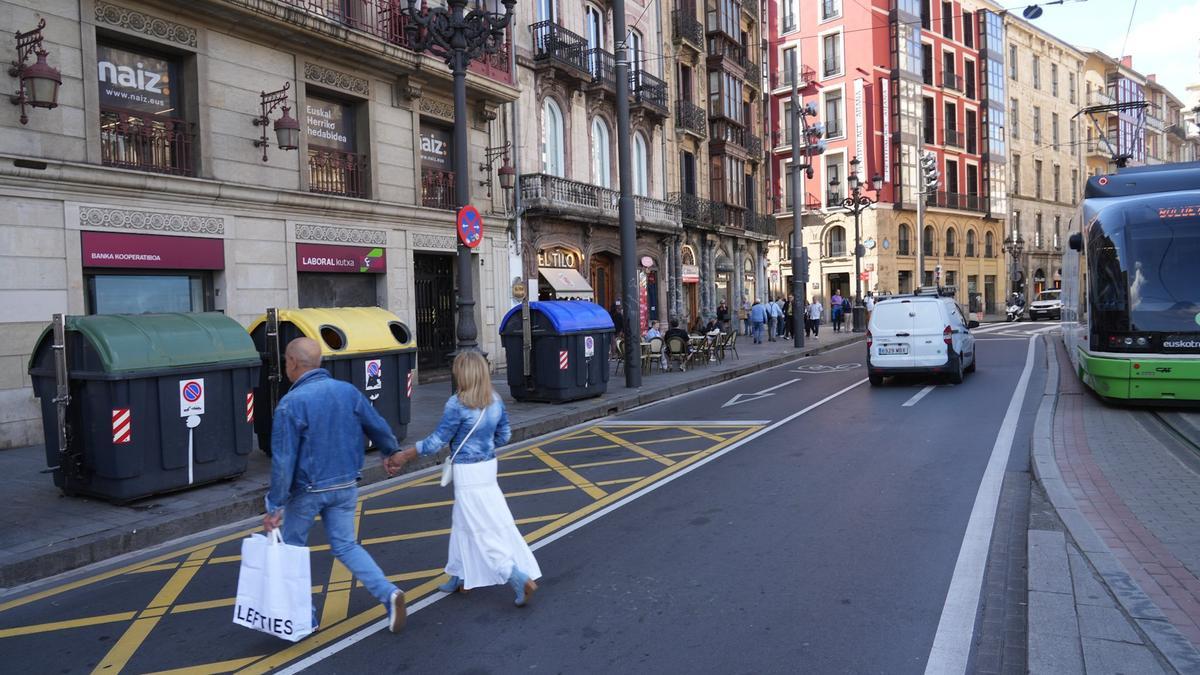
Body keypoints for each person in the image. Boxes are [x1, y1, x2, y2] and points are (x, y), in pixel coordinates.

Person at [263, 337, 407, 635]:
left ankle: (306, 618)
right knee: (346, 545)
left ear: (291, 363)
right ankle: (388, 593)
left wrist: (274, 505)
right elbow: (377, 424)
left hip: (307, 490)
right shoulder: (348, 392)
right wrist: (390, 452)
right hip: (346, 483)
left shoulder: (291, 404)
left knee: (293, 551)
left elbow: (283, 459)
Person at [387, 352, 541, 606]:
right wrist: (484, 445)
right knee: (464, 522)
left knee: (482, 532)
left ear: (462, 374)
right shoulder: (495, 400)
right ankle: (459, 575)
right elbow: (505, 435)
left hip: (468, 473)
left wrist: (405, 455)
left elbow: (437, 441)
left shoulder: (456, 404)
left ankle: (515, 577)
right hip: (488, 468)